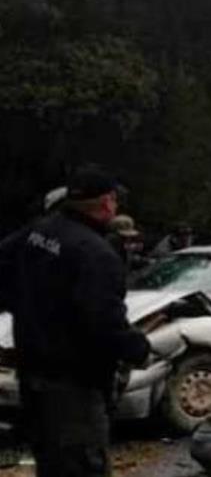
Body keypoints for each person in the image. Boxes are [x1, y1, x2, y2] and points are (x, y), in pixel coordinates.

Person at [0, 166, 152, 477]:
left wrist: (27, 310)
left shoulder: (36, 232)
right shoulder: (96, 253)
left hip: (33, 377)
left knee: (51, 464)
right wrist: (138, 347)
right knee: (81, 466)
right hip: (75, 390)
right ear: (108, 202)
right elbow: (104, 323)